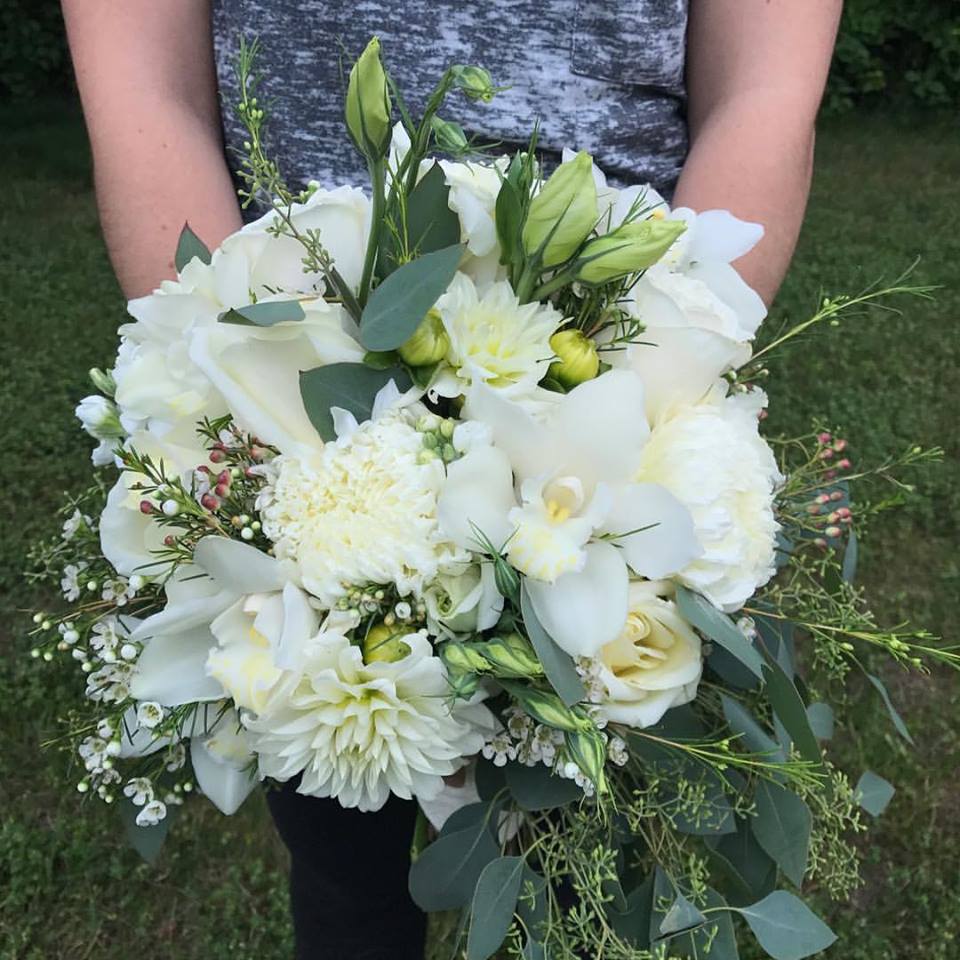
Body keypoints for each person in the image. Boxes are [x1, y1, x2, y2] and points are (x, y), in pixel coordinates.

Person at [61, 2, 842, 957]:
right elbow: (143, 89)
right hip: (293, 408)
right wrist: (234, 396)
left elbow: (766, 90)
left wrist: (659, 370)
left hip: (616, 376)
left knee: (587, 886)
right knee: (345, 861)